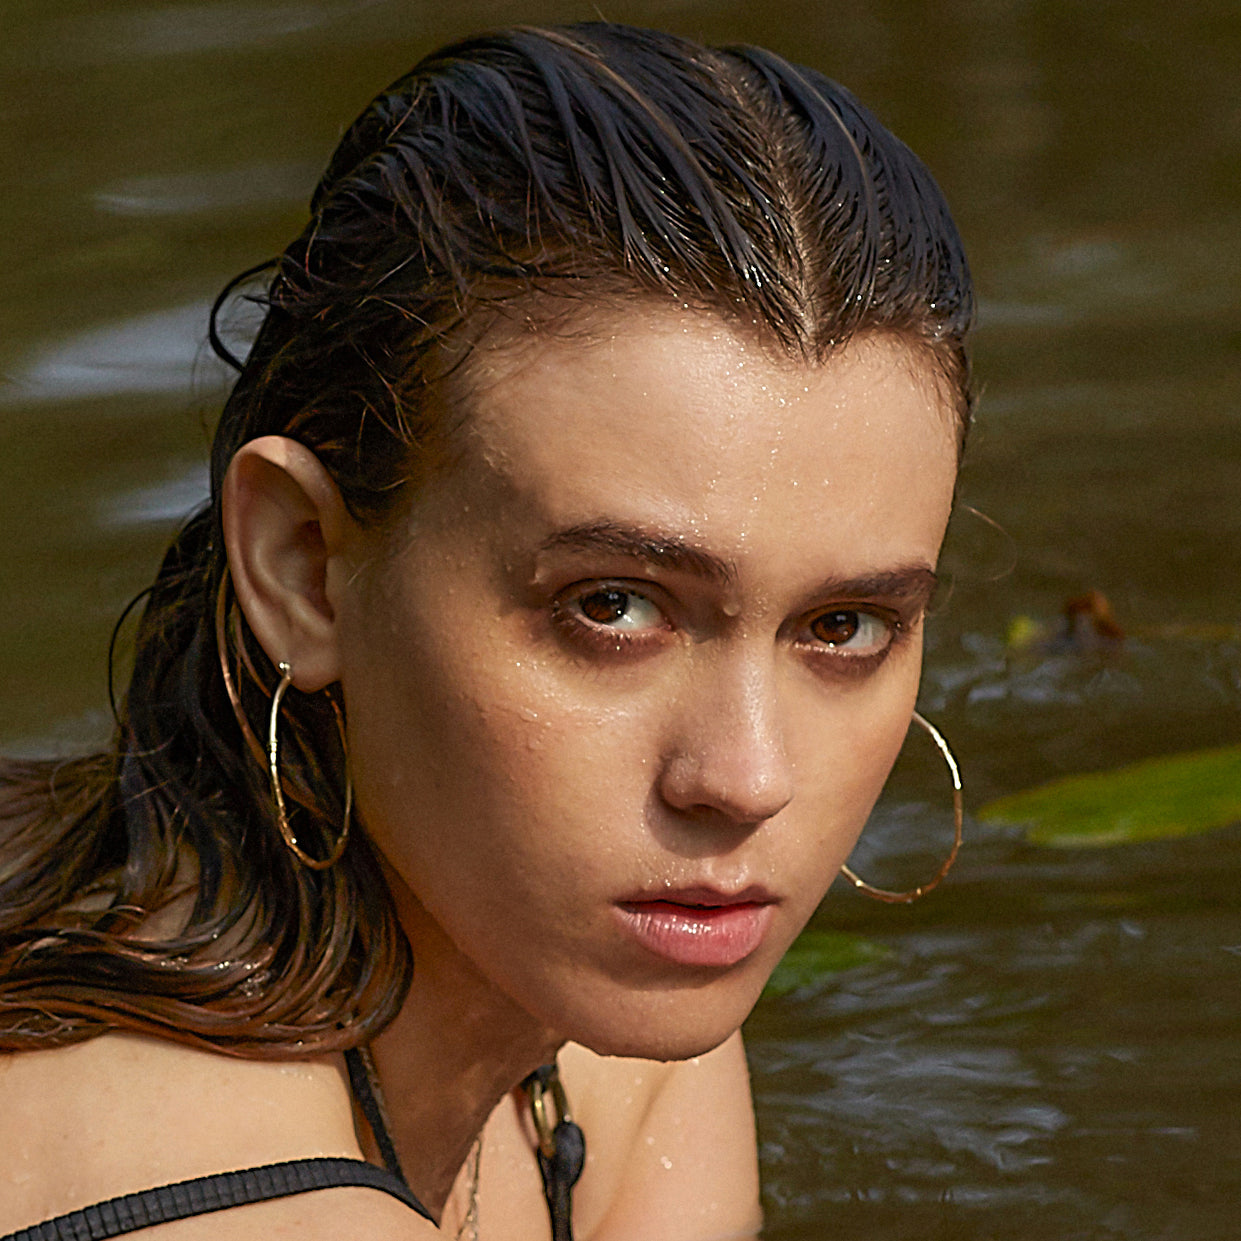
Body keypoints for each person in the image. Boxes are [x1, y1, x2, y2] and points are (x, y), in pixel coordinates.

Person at [0, 21, 972, 1241]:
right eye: (610, 606)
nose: (744, 779)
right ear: (301, 567)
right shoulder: (206, 1199)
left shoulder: (614, 1045)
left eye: (843, 625)